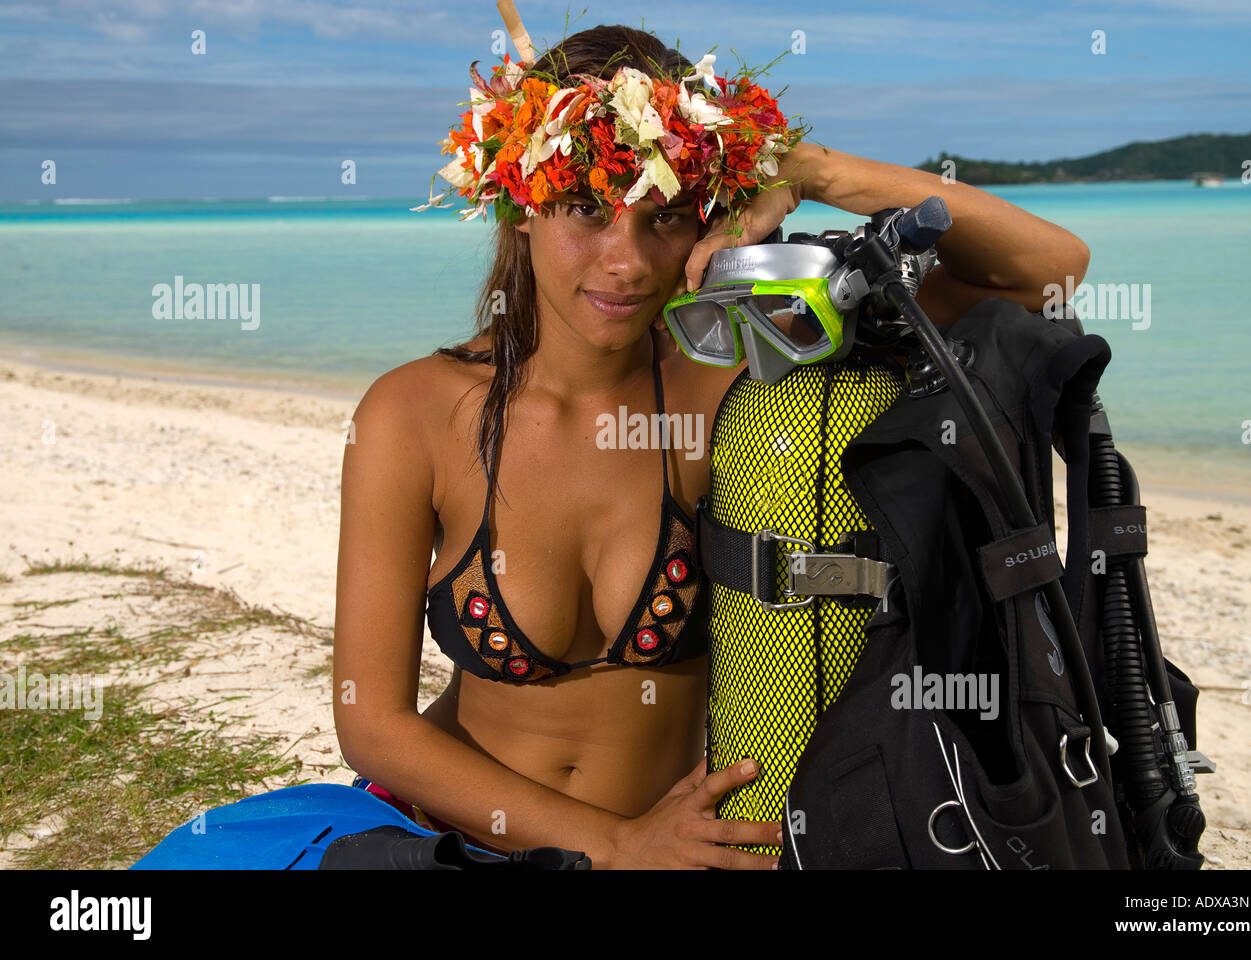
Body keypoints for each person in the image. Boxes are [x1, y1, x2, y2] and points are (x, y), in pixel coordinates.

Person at [332, 24, 1091, 870]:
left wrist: (806, 173)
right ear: (519, 209)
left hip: (687, 849)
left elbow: (1048, 270)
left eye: (663, 218)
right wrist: (615, 844)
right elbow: (373, 722)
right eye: (585, 209)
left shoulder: (736, 377)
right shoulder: (414, 415)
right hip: (461, 844)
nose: (625, 262)